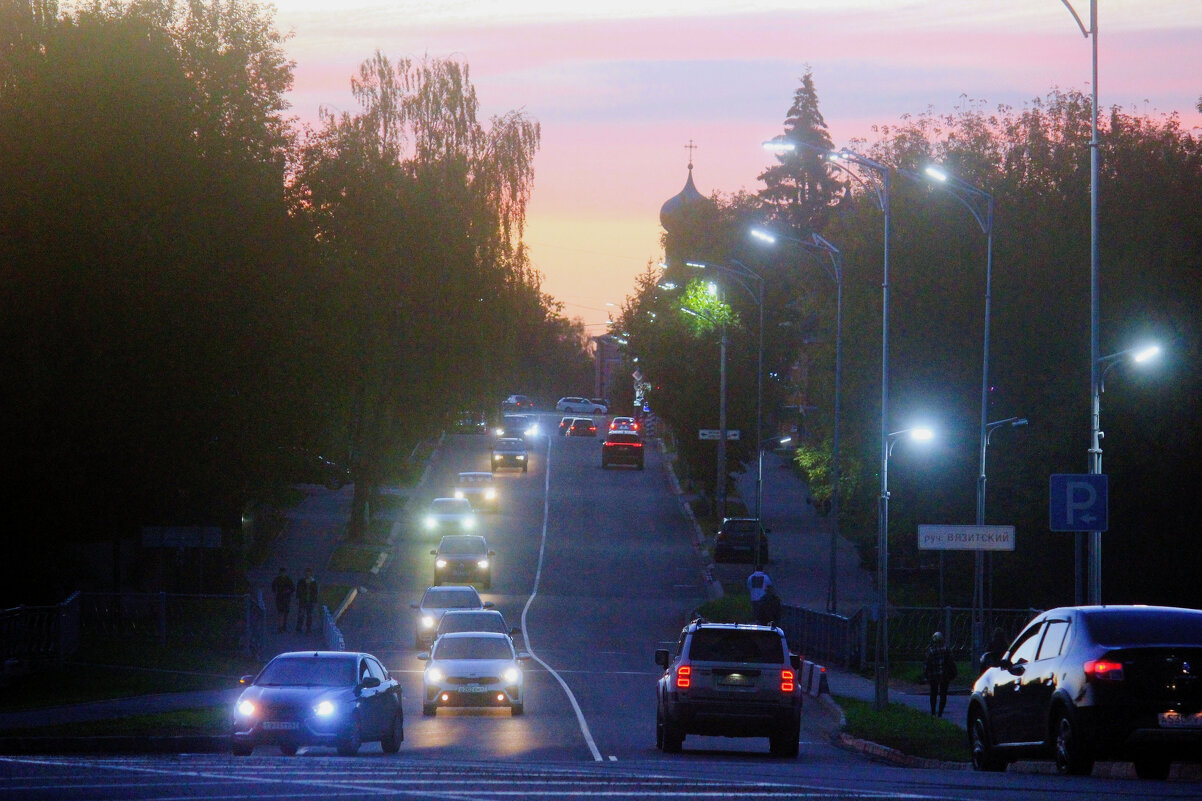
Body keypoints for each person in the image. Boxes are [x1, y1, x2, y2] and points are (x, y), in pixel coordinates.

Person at [922, 631, 958, 717]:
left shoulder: (931, 651)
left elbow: (926, 664)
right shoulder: (946, 649)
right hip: (945, 675)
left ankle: (933, 711)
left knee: (933, 693)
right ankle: (940, 713)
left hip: (933, 675)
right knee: (943, 694)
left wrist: (926, 674)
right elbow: (952, 661)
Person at [295, 567, 319, 634]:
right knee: (301, 614)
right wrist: (297, 598)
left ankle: (308, 628)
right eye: (306, 573)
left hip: (310, 601)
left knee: (309, 615)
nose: (307, 575)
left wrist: (315, 601)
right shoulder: (301, 581)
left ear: (311, 574)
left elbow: (315, 592)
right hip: (303, 601)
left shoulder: (313, 582)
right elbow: (298, 590)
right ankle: (299, 627)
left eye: (309, 573)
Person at [270, 567, 294, 633]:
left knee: (285, 613)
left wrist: (288, 591)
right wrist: (276, 592)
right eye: (282, 573)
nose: (283, 574)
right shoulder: (277, 579)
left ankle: (284, 626)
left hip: (286, 598)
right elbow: (273, 587)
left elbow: (292, 588)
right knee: (280, 613)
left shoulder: (288, 580)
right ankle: (280, 627)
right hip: (280, 598)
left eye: (284, 573)